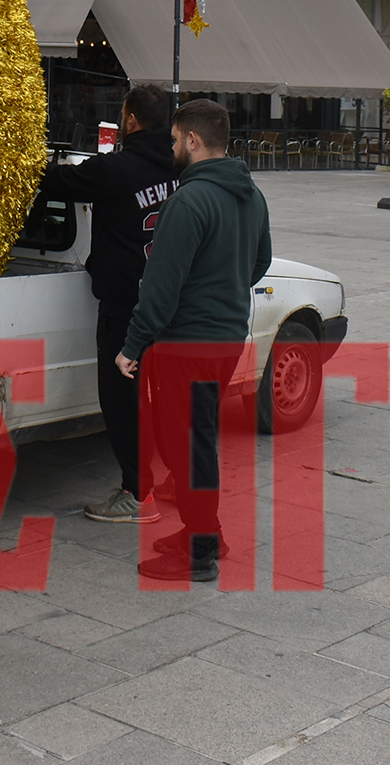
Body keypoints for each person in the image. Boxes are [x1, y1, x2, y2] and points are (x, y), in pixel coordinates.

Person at [117, 99, 272, 583]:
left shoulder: (188, 201)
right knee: (196, 439)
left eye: (173, 141)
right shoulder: (251, 194)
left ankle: (200, 550)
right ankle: (206, 533)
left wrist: (132, 345)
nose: (171, 150)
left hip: (186, 343)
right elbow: (260, 262)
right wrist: (223, 290)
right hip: (226, 338)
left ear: (192, 140)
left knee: (186, 446)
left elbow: (160, 287)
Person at [38, 85, 179, 525]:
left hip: (125, 308)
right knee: (170, 401)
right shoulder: (183, 168)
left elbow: (53, 182)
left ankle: (137, 493)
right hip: (172, 306)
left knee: (121, 402)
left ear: (131, 119)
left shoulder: (115, 169)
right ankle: (182, 480)